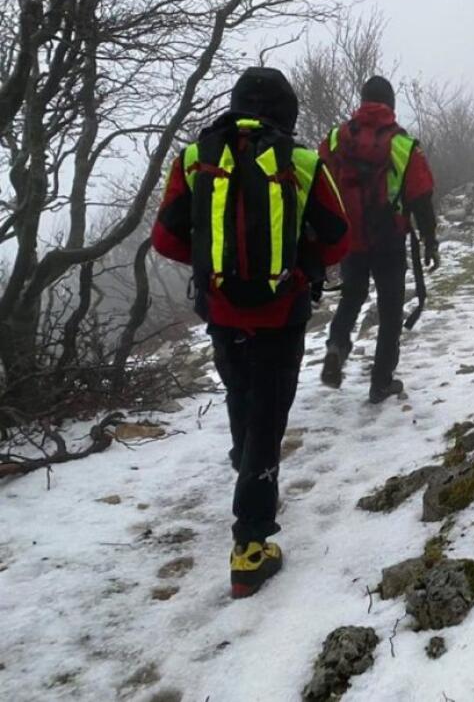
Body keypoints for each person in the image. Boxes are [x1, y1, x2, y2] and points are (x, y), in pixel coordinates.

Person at [151, 67, 349, 598]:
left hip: (220, 310)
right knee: (268, 416)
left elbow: (165, 239)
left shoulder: (196, 159)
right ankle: (251, 545)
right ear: (287, 112)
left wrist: (213, 265)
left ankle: (247, 466)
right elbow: (338, 238)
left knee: (241, 395)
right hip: (282, 313)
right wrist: (299, 263)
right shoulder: (303, 161)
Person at [319, 75, 439, 403]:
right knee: (389, 310)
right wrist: (430, 239)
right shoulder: (402, 145)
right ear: (391, 104)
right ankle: (381, 382)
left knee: (352, 296)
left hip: (350, 239)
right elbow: (421, 198)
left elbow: (318, 185)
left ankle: (336, 346)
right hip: (389, 238)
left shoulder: (334, 139)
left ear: (362, 101)